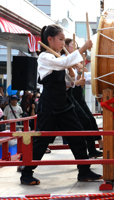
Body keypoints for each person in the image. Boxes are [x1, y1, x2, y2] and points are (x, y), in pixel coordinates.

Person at [20, 24, 102, 185]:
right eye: (61, 39)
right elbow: (62, 64)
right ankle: (26, 173)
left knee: (78, 136)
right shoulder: (45, 57)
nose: (63, 43)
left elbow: (67, 82)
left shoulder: (57, 57)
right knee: (42, 141)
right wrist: (82, 48)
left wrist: (73, 76)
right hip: (49, 106)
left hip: (64, 104)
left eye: (64, 40)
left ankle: (84, 170)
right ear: (50, 39)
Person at [62, 38, 102, 158]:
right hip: (66, 98)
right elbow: (73, 81)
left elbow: (81, 80)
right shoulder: (64, 60)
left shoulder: (73, 60)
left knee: (88, 121)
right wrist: (79, 71)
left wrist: (82, 71)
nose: (74, 47)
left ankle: (91, 150)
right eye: (72, 45)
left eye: (76, 45)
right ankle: (25, 161)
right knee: (46, 132)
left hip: (77, 97)